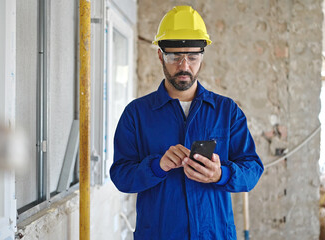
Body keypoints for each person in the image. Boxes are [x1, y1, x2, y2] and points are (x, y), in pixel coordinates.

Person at [110, 5, 264, 240]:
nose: (184, 66)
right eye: (174, 56)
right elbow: (121, 176)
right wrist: (156, 166)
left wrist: (220, 174)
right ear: (160, 54)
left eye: (192, 57)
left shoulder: (226, 111)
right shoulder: (136, 114)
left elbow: (252, 169)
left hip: (214, 234)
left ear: (202, 56)